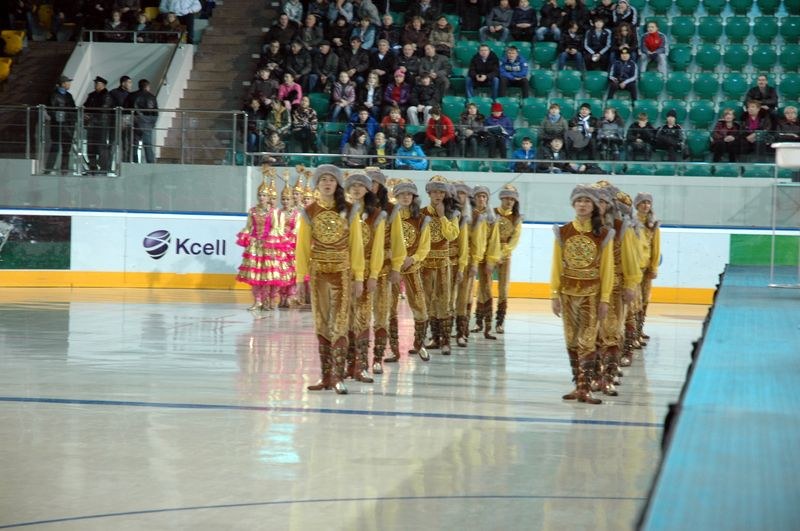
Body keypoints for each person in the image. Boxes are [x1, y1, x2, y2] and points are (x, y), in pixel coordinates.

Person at [295, 164, 365, 395]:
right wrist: (299, 279)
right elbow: (302, 247)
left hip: (342, 272)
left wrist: (359, 277)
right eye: (323, 179)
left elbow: (356, 246)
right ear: (317, 184)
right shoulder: (309, 211)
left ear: (337, 184)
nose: (327, 183)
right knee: (322, 322)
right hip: (318, 274)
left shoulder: (350, 210)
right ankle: (325, 376)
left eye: (331, 180)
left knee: (340, 322)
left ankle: (338, 375)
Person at [550, 184, 613, 404]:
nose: (582, 204)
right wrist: (554, 294)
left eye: (587, 201)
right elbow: (556, 265)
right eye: (579, 201)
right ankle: (578, 385)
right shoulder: (564, 231)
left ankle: (586, 388)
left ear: (594, 206)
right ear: (573, 204)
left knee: (587, 340)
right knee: (571, 340)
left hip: (592, 294)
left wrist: (605, 298)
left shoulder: (603, 234)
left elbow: (607, 269)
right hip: (567, 293)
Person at [592, 182, 641, 396]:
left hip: (617, 285)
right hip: (590, 286)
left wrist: (631, 284)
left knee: (612, 330)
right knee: (591, 333)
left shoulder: (622, 227)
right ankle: (595, 374)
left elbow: (631, 257)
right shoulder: (586, 226)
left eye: (604, 201)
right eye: (597, 201)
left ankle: (609, 376)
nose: (600, 205)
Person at [385, 179, 432, 362]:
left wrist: (413, 258)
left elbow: (425, 246)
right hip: (393, 267)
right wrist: (393, 258)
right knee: (390, 308)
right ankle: (394, 349)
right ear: (395, 196)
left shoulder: (421, 219)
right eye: (402, 194)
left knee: (419, 305)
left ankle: (419, 344)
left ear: (414, 196)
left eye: (409, 194)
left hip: (412, 267)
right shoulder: (388, 216)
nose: (406, 197)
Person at [344, 172, 384, 383]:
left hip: (366, 271)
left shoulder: (377, 215)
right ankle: (346, 365)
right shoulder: (341, 212)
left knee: (361, 318)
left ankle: (361, 365)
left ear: (368, 189)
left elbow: (378, 248)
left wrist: (373, 275)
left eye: (361, 185)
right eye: (353, 185)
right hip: (341, 272)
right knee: (342, 320)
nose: (357, 188)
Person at [365, 167, 406, 373]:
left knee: (383, 311)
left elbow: (398, 241)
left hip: (384, 268)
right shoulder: (354, 207)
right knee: (358, 316)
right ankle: (359, 358)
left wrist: (397, 266)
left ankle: (378, 357)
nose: (370, 186)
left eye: (374, 182)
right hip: (358, 269)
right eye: (367, 182)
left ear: (380, 185)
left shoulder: (391, 210)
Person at [235, 172, 291, 313]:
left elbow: (276, 228)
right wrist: (247, 236)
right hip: (255, 246)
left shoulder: (273, 212)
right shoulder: (252, 211)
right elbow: (249, 227)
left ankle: (267, 300)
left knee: (266, 275)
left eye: (264, 195)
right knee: (255, 276)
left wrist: (270, 239)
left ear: (268, 197)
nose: (261, 197)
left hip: (268, 246)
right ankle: (257, 301)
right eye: (260, 195)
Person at [420, 176, 461, 356]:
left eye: (441, 192)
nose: (438, 195)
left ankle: (445, 340)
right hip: (426, 263)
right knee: (427, 302)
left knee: (444, 301)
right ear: (429, 193)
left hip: (444, 263)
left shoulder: (453, 214)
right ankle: (433, 337)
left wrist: (443, 216)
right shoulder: (421, 214)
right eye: (435, 191)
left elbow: (452, 236)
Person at [470, 186, 501, 339]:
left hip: (485, 260)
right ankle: (467, 324)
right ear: (473, 198)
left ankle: (487, 326)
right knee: (467, 293)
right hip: (469, 259)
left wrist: (491, 260)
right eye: (478, 196)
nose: (481, 199)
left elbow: (494, 240)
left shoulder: (491, 218)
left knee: (486, 291)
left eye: (484, 196)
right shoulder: (468, 215)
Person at [492, 185, 522, 334]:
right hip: (489, 254)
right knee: (485, 288)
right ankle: (481, 321)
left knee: (503, 289)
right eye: (506, 198)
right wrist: (493, 254)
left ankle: (500, 321)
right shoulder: (492, 213)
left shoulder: (516, 218)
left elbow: (514, 240)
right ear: (501, 198)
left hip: (505, 256)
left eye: (512, 199)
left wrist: (502, 254)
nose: (509, 201)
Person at [633, 192, 660, 354]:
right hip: (634, 269)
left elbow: (655, 247)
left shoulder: (653, 223)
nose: (645, 205)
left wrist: (654, 267)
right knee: (634, 302)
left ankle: (639, 329)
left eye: (648, 203)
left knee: (644, 300)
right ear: (636, 205)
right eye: (642, 203)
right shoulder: (631, 223)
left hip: (646, 268)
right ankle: (632, 333)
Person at [45, 75, 77, 175]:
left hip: (68, 126)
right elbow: (52, 111)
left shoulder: (69, 96)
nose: (69, 84)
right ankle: (49, 168)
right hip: (58, 126)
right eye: (68, 82)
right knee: (55, 147)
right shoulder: (54, 95)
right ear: (63, 84)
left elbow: (73, 110)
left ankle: (64, 169)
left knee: (66, 149)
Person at [83, 75, 115, 174]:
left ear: (103, 85)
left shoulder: (107, 96)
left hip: (102, 124)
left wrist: (90, 115)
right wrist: (85, 114)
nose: (95, 85)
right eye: (95, 83)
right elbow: (85, 106)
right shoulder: (92, 95)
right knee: (90, 146)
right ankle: (92, 167)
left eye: (97, 83)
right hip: (91, 124)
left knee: (101, 146)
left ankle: (103, 168)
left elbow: (103, 109)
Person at [127, 78, 159, 163]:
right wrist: (152, 124)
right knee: (148, 145)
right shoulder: (152, 97)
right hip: (147, 124)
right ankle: (150, 163)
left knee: (134, 144)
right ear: (147, 86)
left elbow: (126, 110)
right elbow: (155, 112)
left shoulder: (131, 95)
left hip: (135, 122)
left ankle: (134, 162)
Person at [109, 75, 133, 162]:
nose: (131, 85)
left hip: (127, 122)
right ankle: (108, 167)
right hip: (116, 121)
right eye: (129, 82)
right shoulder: (113, 93)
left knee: (126, 145)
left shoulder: (130, 95)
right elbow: (110, 107)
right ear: (123, 83)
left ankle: (125, 166)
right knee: (113, 144)